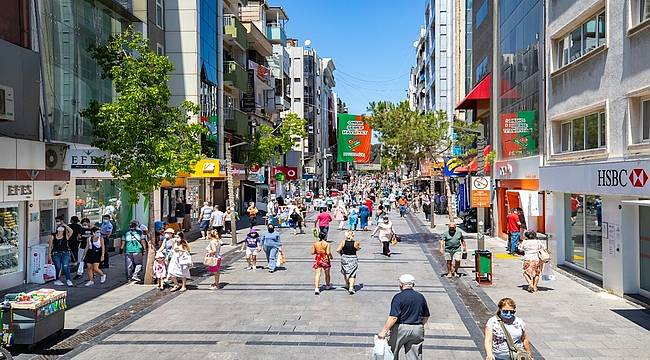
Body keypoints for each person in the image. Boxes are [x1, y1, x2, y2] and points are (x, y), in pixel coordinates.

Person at [377, 274, 430, 360]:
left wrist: (383, 332)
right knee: (414, 356)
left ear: (401, 285)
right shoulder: (420, 297)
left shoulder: (398, 297)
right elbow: (426, 316)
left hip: (400, 329)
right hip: (417, 328)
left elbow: (393, 317)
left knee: (392, 353)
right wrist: (420, 326)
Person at [48, 216, 74, 286]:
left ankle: (68, 279)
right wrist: (49, 255)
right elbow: (50, 246)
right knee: (58, 266)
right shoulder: (53, 236)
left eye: (62, 229)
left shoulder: (66, 236)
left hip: (65, 253)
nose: (60, 229)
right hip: (55, 253)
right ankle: (57, 280)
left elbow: (71, 231)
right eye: (59, 228)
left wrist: (65, 225)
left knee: (66, 266)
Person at [336, 231, 361, 295]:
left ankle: (347, 284)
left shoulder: (343, 242)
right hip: (353, 258)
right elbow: (358, 248)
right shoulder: (355, 243)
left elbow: (338, 250)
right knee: (352, 274)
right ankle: (351, 288)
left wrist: (341, 253)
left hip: (345, 258)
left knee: (345, 272)